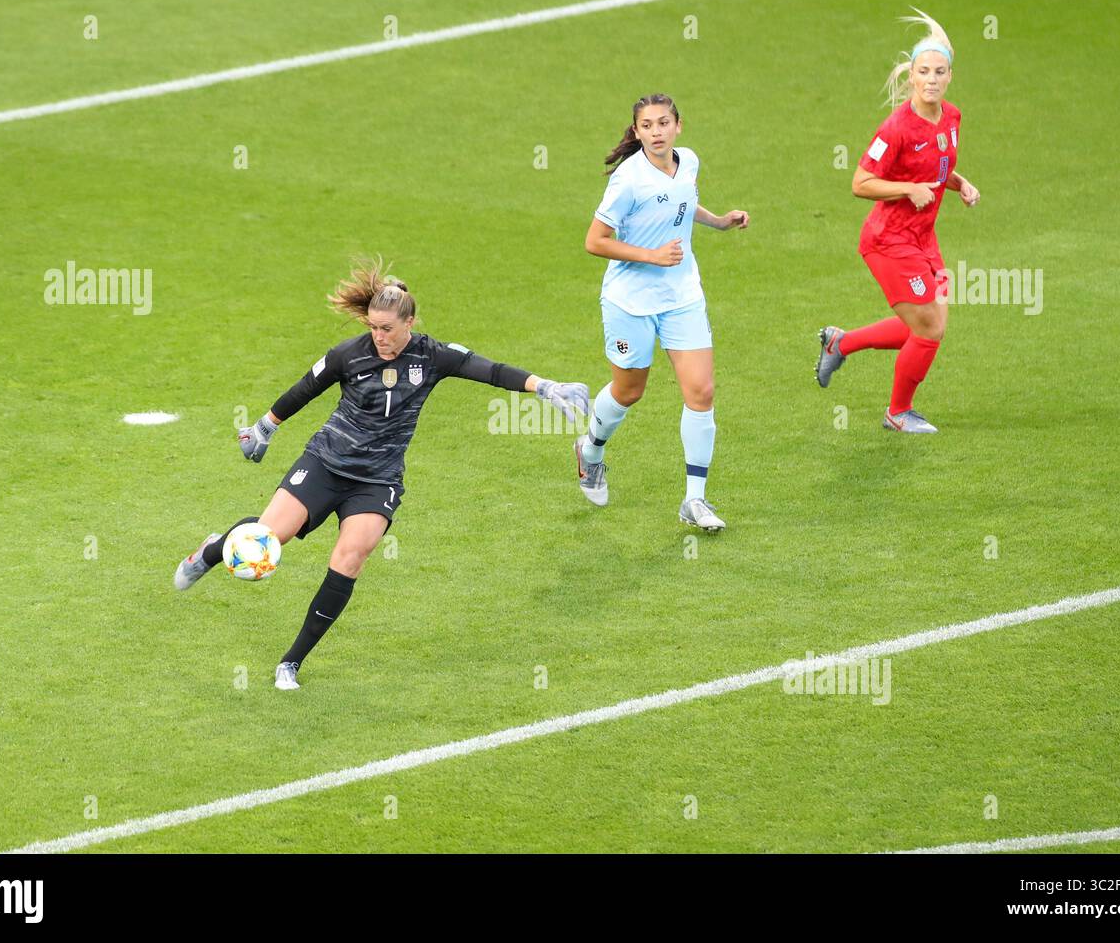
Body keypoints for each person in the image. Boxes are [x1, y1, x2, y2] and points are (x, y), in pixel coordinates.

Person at [173, 257, 590, 689]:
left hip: (378, 479)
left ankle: (291, 662)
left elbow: (492, 371)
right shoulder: (348, 355)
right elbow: (305, 388)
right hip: (325, 463)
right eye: (373, 327)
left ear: (409, 322)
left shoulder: (433, 356)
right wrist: (265, 427)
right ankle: (210, 552)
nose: (378, 337)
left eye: (387, 328)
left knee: (349, 557)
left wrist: (545, 387)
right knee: (267, 538)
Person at [577, 93, 749, 530]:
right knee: (630, 391)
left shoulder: (687, 161)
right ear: (636, 132)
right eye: (647, 125)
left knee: (701, 392)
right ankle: (591, 450)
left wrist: (719, 222)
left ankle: (695, 499)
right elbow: (595, 241)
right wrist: (651, 256)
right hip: (630, 301)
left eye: (663, 123)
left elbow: (683, 206)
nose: (656, 132)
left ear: (678, 126)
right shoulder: (627, 181)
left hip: (682, 296)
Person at [815, 9, 980, 433]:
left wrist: (959, 184)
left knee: (931, 324)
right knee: (928, 329)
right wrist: (908, 190)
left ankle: (842, 342)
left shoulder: (952, 118)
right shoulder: (897, 128)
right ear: (912, 76)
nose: (931, 78)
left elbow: (936, 166)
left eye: (939, 72)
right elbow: (860, 182)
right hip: (888, 241)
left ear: (949, 76)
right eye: (923, 71)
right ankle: (897, 413)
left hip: (925, 238)